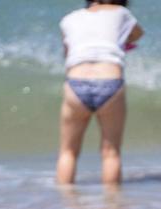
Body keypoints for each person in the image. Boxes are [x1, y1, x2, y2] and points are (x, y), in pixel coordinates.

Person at [56, 0, 144, 185]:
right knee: (110, 153)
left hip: (76, 83)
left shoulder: (68, 19)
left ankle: (65, 207)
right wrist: (122, 41)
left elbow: (68, 53)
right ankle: (112, 207)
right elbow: (137, 34)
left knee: (68, 152)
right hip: (110, 81)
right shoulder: (121, 13)